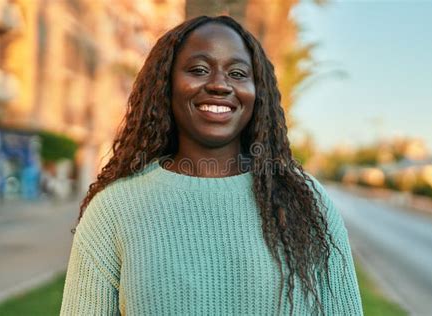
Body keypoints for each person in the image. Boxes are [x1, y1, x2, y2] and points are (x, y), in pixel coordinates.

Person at [60, 15, 363, 315]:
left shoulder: (307, 204)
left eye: (238, 73)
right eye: (199, 69)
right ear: (166, 84)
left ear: (258, 93)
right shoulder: (115, 209)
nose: (219, 84)